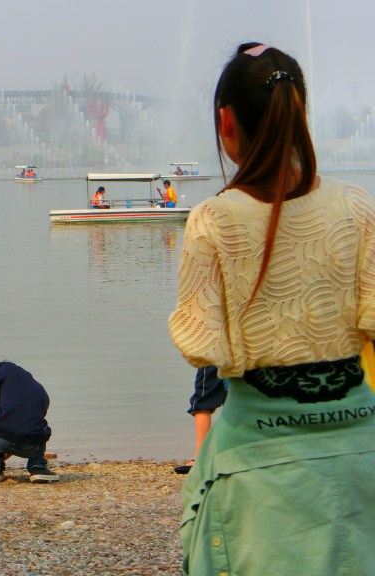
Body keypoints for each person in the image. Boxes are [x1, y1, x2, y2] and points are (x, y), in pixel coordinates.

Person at [168, 42, 375, 574]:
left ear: (225, 122)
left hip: (258, 467)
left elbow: (201, 344)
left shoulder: (213, 221)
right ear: (300, 111)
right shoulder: (358, 208)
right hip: (361, 452)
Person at [0, 361, 59, 483]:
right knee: (35, 423)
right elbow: (20, 430)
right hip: (32, 445)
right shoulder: (39, 389)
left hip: (2, 439)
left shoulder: (2, 371)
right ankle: (38, 468)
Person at [172, 366, 226, 475]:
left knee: (202, 401)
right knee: (238, 398)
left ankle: (200, 458)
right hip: (247, 354)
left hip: (214, 354)